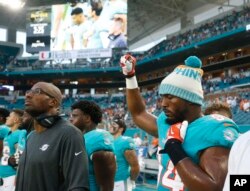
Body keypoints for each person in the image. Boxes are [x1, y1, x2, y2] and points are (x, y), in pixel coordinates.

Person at [119, 54, 239, 191]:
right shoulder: (167, 123)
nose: (163, 104)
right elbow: (138, 113)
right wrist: (130, 76)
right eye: (163, 97)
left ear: (191, 100)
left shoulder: (213, 129)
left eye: (170, 97)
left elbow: (214, 187)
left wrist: (175, 149)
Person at [15, 82, 89, 191]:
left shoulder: (69, 134)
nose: (28, 95)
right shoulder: (31, 137)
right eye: (28, 92)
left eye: (37, 91)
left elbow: (78, 186)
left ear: (53, 102)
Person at [70, 100, 116, 191]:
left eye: (74, 116)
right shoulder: (80, 138)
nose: (70, 119)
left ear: (87, 118)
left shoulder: (97, 139)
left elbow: (106, 186)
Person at [108, 117, 139, 191]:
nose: (111, 126)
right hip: (107, 182)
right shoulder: (107, 141)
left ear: (121, 129)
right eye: (111, 124)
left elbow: (135, 167)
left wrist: (132, 180)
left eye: (114, 124)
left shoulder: (125, 142)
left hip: (120, 182)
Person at [0, 109, 25, 191]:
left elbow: (20, 154)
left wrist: (18, 175)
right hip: (3, 175)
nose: (7, 117)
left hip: (11, 176)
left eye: (10, 116)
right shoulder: (8, 134)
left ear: (15, 120)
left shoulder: (19, 133)